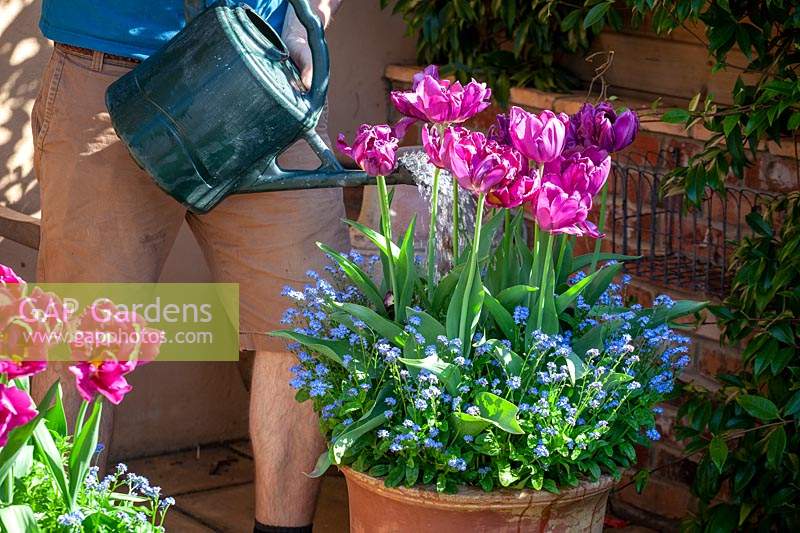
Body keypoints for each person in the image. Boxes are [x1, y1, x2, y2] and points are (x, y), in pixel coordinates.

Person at [31, 1, 344, 531]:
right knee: (79, 335)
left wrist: (306, 16)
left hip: (264, 68)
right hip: (108, 66)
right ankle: (58, 521)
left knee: (308, 321)